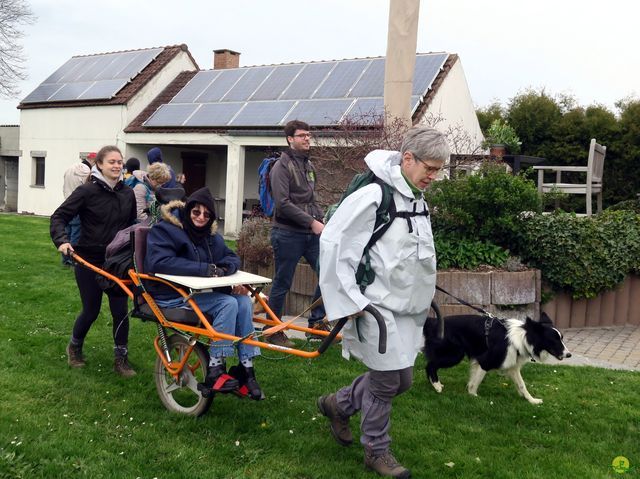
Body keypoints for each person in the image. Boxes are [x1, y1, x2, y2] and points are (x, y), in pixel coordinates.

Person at [316, 127, 449, 478]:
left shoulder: (417, 199)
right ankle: (376, 450)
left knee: (401, 380)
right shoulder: (375, 196)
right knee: (388, 382)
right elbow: (334, 243)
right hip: (376, 307)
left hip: (408, 309)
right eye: (430, 168)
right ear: (408, 158)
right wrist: (350, 299)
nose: (433, 177)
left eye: (438, 170)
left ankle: (338, 404)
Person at [144, 186, 263, 399]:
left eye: (207, 214)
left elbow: (231, 257)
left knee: (243, 302)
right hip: (170, 296)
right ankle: (215, 369)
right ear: (188, 210)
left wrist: (225, 269)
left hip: (195, 294)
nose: (201, 217)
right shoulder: (166, 230)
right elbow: (158, 262)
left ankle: (247, 368)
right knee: (228, 304)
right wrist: (206, 270)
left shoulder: (211, 236)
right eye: (196, 212)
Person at [50, 145, 137, 377]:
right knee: (91, 310)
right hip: (88, 259)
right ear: (99, 164)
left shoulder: (127, 194)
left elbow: (131, 227)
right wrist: (62, 240)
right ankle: (74, 347)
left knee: (120, 310)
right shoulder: (86, 192)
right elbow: (59, 216)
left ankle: (121, 359)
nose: (117, 165)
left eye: (120, 162)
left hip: (117, 263)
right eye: (112, 162)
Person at [266, 119, 326, 347]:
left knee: (328, 273)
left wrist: (322, 219)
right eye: (302, 135)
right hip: (287, 233)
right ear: (290, 139)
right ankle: (273, 329)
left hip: (311, 234)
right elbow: (282, 203)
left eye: (308, 135)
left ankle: (317, 324)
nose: (307, 139)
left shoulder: (309, 166)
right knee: (282, 282)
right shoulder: (280, 167)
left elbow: (311, 199)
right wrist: (312, 222)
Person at [60, 152, 97, 265]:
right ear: (93, 161)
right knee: (76, 234)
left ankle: (65, 259)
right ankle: (74, 259)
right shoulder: (85, 171)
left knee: (67, 233)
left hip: (67, 203)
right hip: (78, 206)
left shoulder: (70, 168)